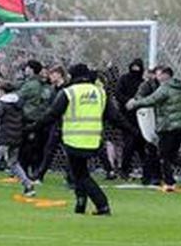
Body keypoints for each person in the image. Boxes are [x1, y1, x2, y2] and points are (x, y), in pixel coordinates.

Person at [37, 63, 127, 215]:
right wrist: (129, 129)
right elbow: (113, 116)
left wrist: (33, 127)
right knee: (79, 172)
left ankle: (102, 204)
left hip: (74, 139)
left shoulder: (70, 92)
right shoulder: (99, 92)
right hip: (93, 139)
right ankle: (80, 204)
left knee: (80, 175)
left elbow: (52, 114)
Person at [127, 65, 181, 191]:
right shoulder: (180, 88)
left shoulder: (164, 88)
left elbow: (151, 100)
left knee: (164, 155)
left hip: (167, 126)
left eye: (158, 73)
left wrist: (134, 103)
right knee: (172, 154)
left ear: (165, 75)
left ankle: (169, 182)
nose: (156, 76)